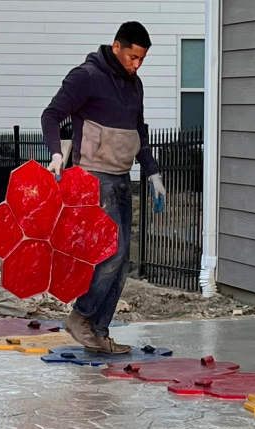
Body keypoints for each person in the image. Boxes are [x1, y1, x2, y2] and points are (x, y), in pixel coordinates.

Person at [41, 21, 166, 354]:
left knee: (123, 261)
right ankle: (80, 317)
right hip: (93, 178)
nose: (137, 64)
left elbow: (137, 131)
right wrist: (56, 153)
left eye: (142, 59)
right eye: (132, 56)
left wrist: (152, 173)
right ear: (116, 47)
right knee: (111, 253)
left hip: (122, 177)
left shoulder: (134, 85)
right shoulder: (87, 77)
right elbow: (51, 115)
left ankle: (99, 331)